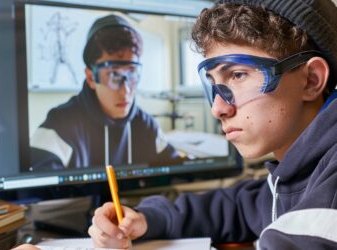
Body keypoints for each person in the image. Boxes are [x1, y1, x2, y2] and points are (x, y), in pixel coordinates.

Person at [86, 1, 337, 249]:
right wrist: (145, 219)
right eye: (213, 84)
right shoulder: (296, 176)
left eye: (238, 75)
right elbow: (238, 206)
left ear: (311, 80)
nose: (217, 108)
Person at [29, 14, 180, 172]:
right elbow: (31, 191)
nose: (126, 90)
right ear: (91, 77)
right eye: (113, 75)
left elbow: (180, 175)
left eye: (132, 73)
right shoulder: (59, 124)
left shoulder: (146, 126)